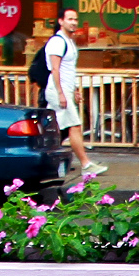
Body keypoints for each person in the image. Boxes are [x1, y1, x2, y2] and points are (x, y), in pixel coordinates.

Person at [46, 9, 106, 179]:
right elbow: (55, 69)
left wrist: (74, 90)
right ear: (61, 21)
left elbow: (68, 70)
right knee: (74, 126)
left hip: (65, 90)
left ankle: (53, 163)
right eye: (69, 19)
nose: (73, 22)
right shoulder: (57, 42)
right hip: (58, 90)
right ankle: (86, 164)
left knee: (57, 130)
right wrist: (61, 93)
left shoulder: (69, 41)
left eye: (75, 19)